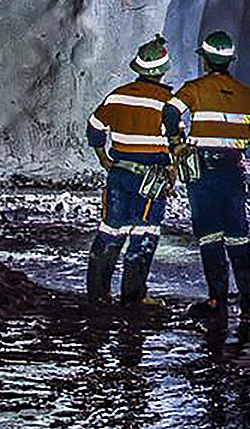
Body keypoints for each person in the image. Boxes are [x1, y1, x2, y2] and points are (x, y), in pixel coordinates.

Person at [167, 31, 250, 318]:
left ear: (206, 61)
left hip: (203, 171)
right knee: (238, 234)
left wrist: (178, 141)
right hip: (233, 170)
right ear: (229, 61)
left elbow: (170, 113)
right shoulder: (248, 94)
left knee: (209, 234)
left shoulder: (194, 88)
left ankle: (216, 301)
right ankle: (247, 302)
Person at [84, 35, 179, 306]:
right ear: (163, 70)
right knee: (144, 233)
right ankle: (133, 297)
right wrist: (172, 171)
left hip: (119, 174)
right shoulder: (168, 102)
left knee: (110, 230)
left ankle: (98, 295)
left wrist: (103, 157)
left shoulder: (117, 96)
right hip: (151, 178)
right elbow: (177, 142)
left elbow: (94, 128)